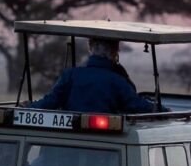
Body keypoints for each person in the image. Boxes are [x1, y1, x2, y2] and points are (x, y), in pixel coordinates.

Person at [27, 37, 158, 114]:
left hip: (70, 143)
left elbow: (50, 101)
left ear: (90, 48)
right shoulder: (118, 80)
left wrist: (29, 107)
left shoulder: (70, 75)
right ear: (114, 51)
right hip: (106, 145)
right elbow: (135, 104)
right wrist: (161, 109)